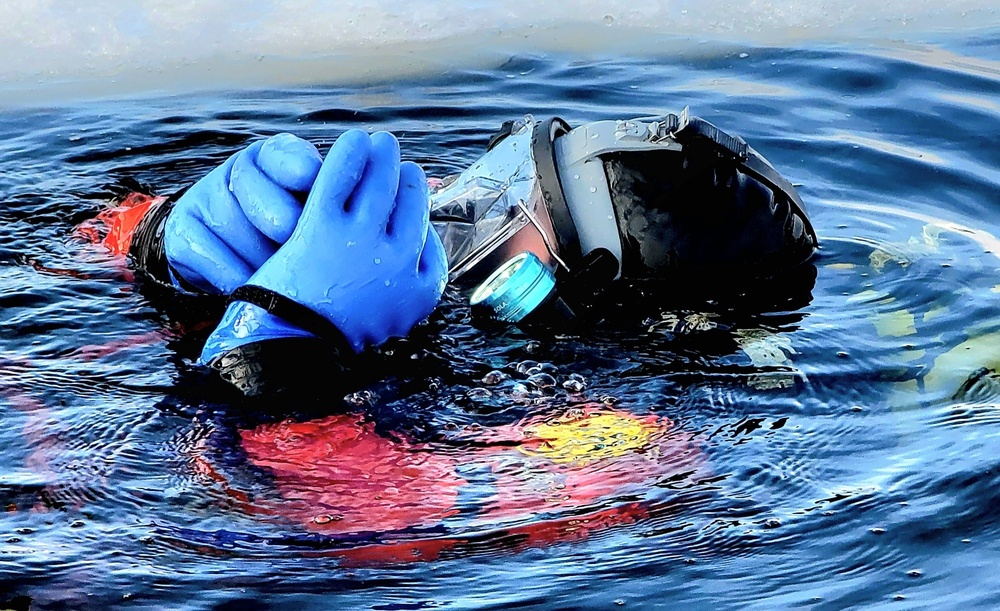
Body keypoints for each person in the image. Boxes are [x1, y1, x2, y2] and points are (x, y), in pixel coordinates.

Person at [94, 108, 818, 396]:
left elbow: (277, 538)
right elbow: (68, 237)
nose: (456, 198)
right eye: (499, 165)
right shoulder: (372, 258)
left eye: (511, 204)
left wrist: (279, 346)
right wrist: (160, 241)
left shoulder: (587, 434)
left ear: (558, 291)